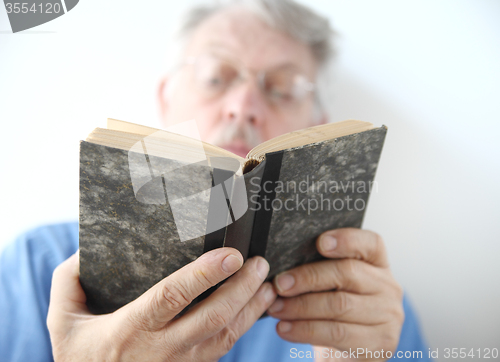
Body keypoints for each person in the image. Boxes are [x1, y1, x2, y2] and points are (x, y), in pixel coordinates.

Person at [0, 1, 431, 361]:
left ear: (317, 125)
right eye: (214, 77)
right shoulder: (34, 266)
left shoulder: (361, 305)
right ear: (166, 99)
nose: (243, 105)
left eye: (282, 88)